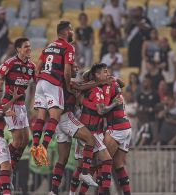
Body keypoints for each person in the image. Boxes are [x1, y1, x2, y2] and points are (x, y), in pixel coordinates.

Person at [49, 64, 111, 195]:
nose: (76, 69)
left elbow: (79, 92)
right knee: (91, 140)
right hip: (68, 118)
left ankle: (54, 191)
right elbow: (79, 88)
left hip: (61, 121)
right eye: (74, 67)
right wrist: (100, 82)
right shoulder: (69, 82)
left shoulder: (72, 85)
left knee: (63, 159)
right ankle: (85, 175)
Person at [72, 63, 122, 195]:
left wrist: (114, 79)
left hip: (88, 131)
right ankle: (104, 192)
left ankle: (74, 193)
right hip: (90, 133)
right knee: (105, 161)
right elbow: (101, 111)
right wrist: (114, 104)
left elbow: (79, 100)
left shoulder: (88, 90)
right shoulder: (96, 91)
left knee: (87, 167)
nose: (107, 74)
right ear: (96, 76)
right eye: (105, 72)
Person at [31, 21, 75, 165]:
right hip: (54, 84)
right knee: (54, 117)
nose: (73, 32)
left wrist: (40, 80)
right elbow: (67, 71)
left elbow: (37, 68)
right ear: (66, 31)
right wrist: (67, 87)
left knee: (40, 117)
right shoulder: (68, 47)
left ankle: (35, 146)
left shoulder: (48, 46)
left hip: (41, 83)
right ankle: (43, 149)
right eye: (71, 30)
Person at [0, 37, 36, 170]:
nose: (29, 49)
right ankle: (2, 165)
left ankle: (11, 167)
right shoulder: (10, 63)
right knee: (17, 140)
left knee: (25, 141)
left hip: (22, 105)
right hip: (10, 103)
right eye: (26, 46)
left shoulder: (31, 66)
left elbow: (39, 83)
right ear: (18, 49)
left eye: (30, 46)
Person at [102, 77, 132, 195]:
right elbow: (122, 83)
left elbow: (102, 110)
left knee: (103, 161)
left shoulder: (108, 88)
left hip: (117, 128)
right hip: (126, 127)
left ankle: (104, 192)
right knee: (118, 165)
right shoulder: (117, 87)